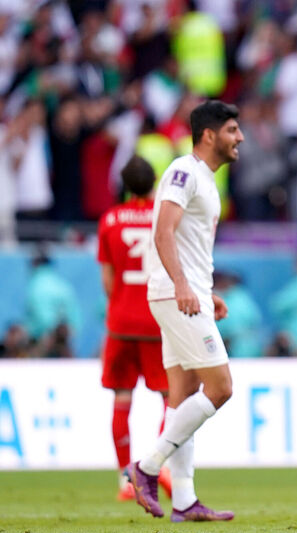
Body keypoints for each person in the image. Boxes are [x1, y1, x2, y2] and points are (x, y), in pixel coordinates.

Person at [125, 100, 243, 523]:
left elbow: (189, 244)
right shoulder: (183, 170)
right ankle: (146, 467)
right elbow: (163, 231)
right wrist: (180, 284)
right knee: (221, 387)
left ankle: (185, 502)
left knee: (183, 397)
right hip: (175, 295)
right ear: (209, 135)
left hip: (186, 293)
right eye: (232, 130)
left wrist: (204, 291)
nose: (239, 138)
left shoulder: (207, 181)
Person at [97, 155, 172, 501]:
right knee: (172, 399)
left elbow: (108, 281)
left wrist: (123, 303)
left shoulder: (110, 219)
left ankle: (126, 481)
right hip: (157, 321)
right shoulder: (163, 217)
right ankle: (159, 468)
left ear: (125, 185)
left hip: (122, 324)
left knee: (121, 400)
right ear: (154, 181)